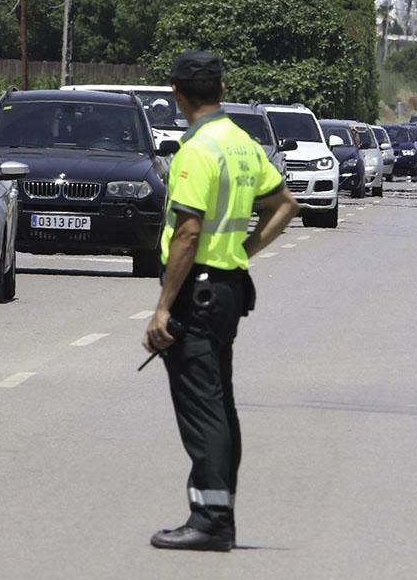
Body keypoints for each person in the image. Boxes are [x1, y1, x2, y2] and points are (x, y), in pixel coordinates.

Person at [143, 51, 299, 552]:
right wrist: (244, 250)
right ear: (223, 89)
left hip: (200, 291)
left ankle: (211, 520)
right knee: (219, 404)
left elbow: (187, 232)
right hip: (228, 286)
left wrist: (163, 305)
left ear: (178, 94)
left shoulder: (196, 151)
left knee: (203, 407)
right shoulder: (241, 143)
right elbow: (286, 205)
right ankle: (218, 511)